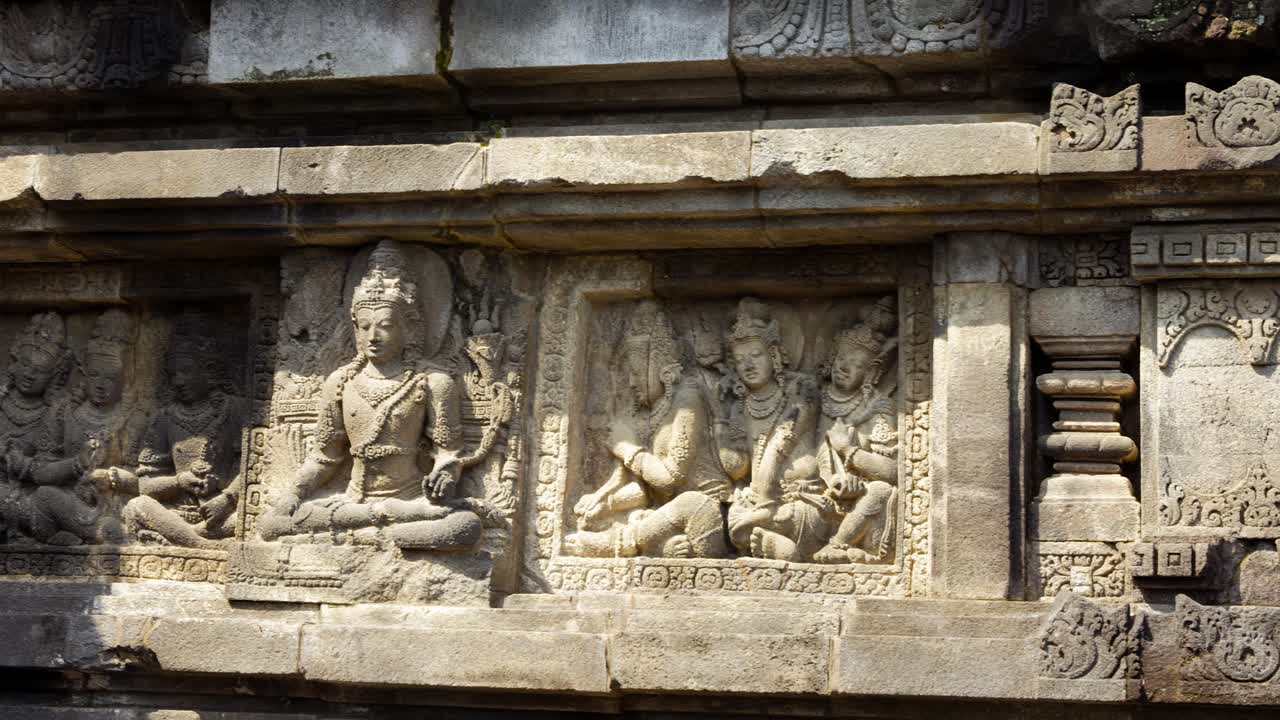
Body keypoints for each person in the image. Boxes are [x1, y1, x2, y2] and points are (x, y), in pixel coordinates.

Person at [257, 240, 482, 551]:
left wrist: (445, 476)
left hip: (411, 502)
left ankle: (364, 535)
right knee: (269, 525)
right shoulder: (341, 381)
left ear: (411, 326)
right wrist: (293, 494)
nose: (372, 337)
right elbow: (324, 457)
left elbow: (448, 453)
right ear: (354, 327)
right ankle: (383, 535)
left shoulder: (432, 382)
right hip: (352, 503)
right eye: (364, 326)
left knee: (464, 526)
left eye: (386, 326)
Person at [564, 301, 729, 559]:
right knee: (644, 514)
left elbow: (670, 478)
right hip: (671, 516)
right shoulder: (651, 413)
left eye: (635, 372)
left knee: (691, 503)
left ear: (660, 368)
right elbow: (644, 490)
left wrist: (627, 448)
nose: (631, 382)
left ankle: (613, 544)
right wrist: (602, 502)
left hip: (711, 514)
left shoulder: (689, 399)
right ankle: (658, 545)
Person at [121, 309, 246, 548]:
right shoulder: (165, 419)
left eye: (186, 372)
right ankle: (201, 545)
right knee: (137, 507)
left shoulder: (236, 410)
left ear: (209, 370)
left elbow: (257, 469)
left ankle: (188, 540)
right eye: (173, 374)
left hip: (223, 514)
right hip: (176, 515)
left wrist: (227, 498)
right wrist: (180, 482)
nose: (178, 381)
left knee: (257, 518)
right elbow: (146, 485)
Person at [719, 298, 827, 562]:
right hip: (757, 503)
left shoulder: (802, 390)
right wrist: (717, 417)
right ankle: (767, 540)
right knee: (734, 515)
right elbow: (736, 468)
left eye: (756, 355)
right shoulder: (740, 406)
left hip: (798, 500)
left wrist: (764, 503)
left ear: (775, 355)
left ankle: (769, 539)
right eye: (740, 359)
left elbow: (780, 445)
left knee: (805, 516)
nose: (748, 365)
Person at [27, 309, 146, 545]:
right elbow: (39, 473)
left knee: (138, 509)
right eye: (94, 375)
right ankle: (90, 535)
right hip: (71, 503)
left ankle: (103, 534)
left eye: (110, 377)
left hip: (116, 506)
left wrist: (113, 478)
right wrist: (77, 463)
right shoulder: (63, 412)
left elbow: (147, 482)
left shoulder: (135, 417)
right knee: (43, 496)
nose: (100, 385)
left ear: (126, 377)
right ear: (83, 374)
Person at [812, 296, 900, 564]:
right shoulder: (812, 399)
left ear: (871, 373)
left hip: (861, 504)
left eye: (856, 363)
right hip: (817, 496)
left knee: (881, 492)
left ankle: (839, 546)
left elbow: (893, 471)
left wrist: (849, 452)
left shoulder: (878, 407)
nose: (843, 367)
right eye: (841, 357)